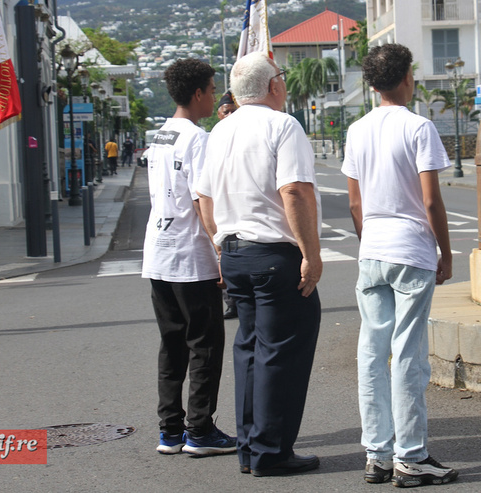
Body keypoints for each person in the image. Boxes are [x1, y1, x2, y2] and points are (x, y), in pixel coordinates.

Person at [196, 52, 323, 477]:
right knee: (281, 352)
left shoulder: (220, 129)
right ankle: (271, 450)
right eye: (282, 79)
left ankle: (251, 447)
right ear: (273, 86)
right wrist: (311, 253)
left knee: (250, 349)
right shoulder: (282, 124)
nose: (284, 85)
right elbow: (295, 192)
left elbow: (205, 198)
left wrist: (219, 243)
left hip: (234, 251)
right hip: (274, 253)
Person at [341, 43, 457, 487]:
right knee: (407, 354)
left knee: (371, 353)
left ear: (372, 84)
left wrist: (369, 240)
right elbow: (431, 199)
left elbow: (355, 201)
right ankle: (412, 455)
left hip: (372, 250)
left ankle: (377, 453)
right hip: (410, 251)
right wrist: (444, 252)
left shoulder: (357, 130)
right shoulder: (418, 127)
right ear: (406, 77)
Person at [142, 59, 237, 457]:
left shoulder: (160, 135)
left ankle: (170, 429)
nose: (215, 96)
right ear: (198, 94)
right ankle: (199, 429)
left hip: (159, 253)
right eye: (213, 90)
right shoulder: (199, 139)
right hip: (190, 254)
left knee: (172, 344)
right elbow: (203, 200)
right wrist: (220, 249)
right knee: (206, 343)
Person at [215, 90, 238, 320]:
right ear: (218, 114)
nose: (230, 114)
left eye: (234, 111)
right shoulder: (215, 138)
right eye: (226, 111)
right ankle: (231, 302)